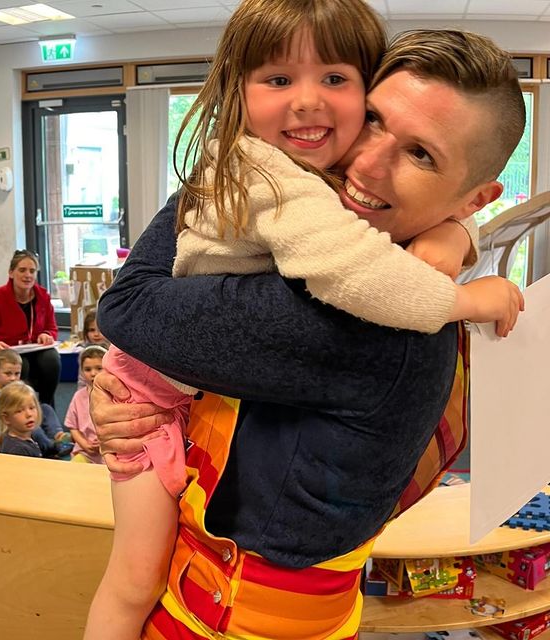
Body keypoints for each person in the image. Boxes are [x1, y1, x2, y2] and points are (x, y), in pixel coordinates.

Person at [93, 25, 525, 640]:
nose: (366, 163)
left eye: (422, 155)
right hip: (207, 581)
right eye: (372, 119)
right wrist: (457, 229)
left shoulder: (366, 322)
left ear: (475, 197)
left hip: (227, 620)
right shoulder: (353, 253)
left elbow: (131, 305)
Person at [0, 249, 61, 407]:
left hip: (34, 349)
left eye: (32, 271)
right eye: (22, 270)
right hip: (2, 354)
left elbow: (52, 328)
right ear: (11, 273)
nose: (27, 275)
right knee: (20, 365)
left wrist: (47, 334)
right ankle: (16, 409)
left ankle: (46, 407)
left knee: (52, 360)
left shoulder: (43, 297)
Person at [0, 348, 74, 458]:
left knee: (45, 408)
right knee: (34, 429)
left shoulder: (15, 390)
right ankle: (51, 447)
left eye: (17, 374)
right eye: (8, 374)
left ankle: (59, 435)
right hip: (10, 431)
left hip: (20, 422)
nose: (13, 378)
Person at [65, 346, 107, 464]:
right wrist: (84, 444)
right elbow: (73, 427)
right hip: (85, 452)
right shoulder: (78, 397)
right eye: (87, 369)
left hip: (111, 451)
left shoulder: (116, 396)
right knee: (73, 469)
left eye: (99, 368)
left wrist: (104, 443)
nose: (93, 373)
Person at [0, 381, 45, 457]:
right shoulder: (18, 450)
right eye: (19, 411)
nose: (29, 414)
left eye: (32, 408)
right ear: (6, 418)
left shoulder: (28, 436)